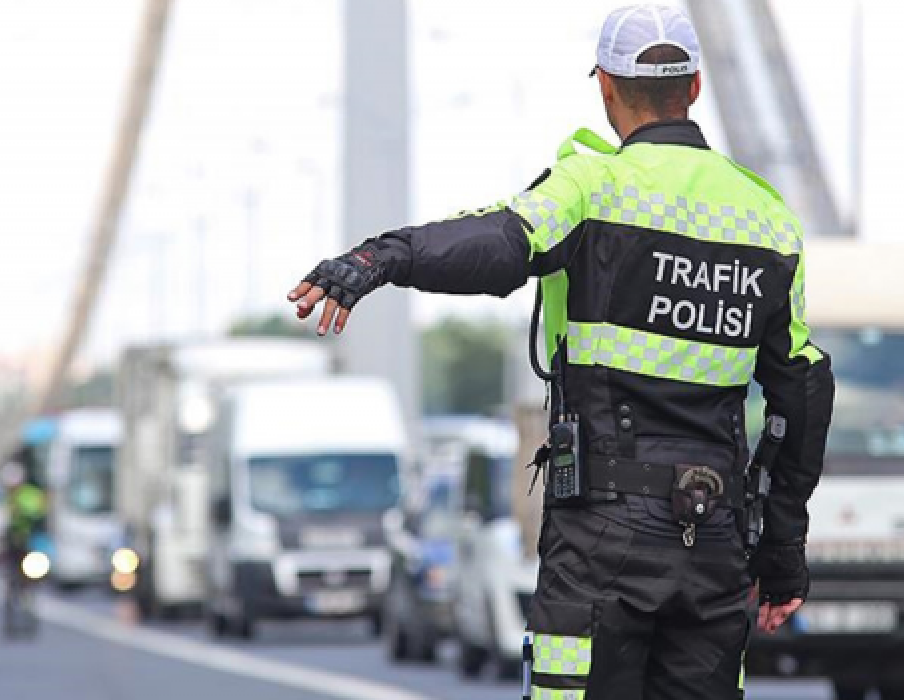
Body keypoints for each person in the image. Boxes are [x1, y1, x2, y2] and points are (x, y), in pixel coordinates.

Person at [286, 5, 834, 698]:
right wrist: (780, 552)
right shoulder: (768, 222)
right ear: (695, 87)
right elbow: (804, 395)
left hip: (601, 540)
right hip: (714, 543)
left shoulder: (590, 187)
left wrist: (380, 258)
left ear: (605, 86)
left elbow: (496, 244)